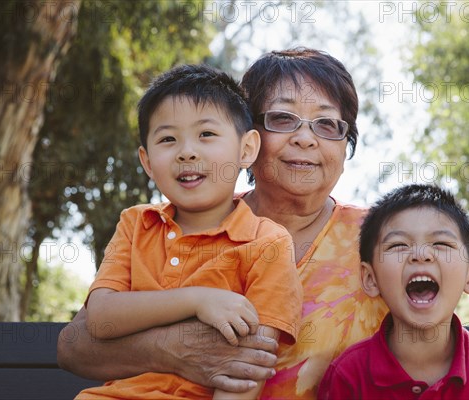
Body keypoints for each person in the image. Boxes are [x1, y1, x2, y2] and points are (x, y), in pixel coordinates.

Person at [57, 48, 389, 399]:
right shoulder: (190, 219)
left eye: (326, 124)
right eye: (282, 118)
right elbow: (75, 344)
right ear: (249, 140)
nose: (305, 139)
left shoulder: (383, 236)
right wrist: (173, 350)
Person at [75, 64, 303, 399]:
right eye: (168, 139)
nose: (187, 151)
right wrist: (196, 300)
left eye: (206, 134)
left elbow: (246, 370)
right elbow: (101, 318)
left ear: (246, 149)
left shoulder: (267, 243)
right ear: (148, 161)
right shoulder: (136, 224)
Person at [317, 184, 469, 399]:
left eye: (441, 243)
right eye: (398, 245)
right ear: (371, 279)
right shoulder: (349, 375)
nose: (420, 254)